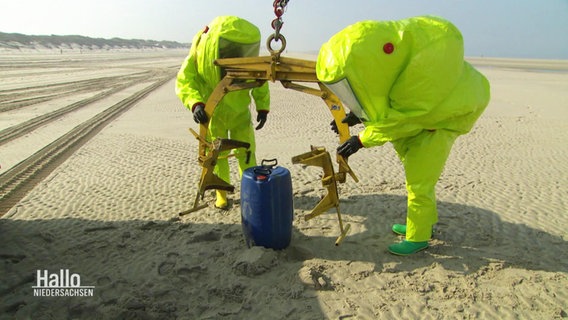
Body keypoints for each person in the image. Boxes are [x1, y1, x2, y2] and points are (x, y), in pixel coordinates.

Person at [316, 16, 490, 255]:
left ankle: (418, 238)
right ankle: (420, 224)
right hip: (422, 126)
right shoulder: (392, 67)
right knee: (417, 179)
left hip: (434, 129)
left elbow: (402, 120)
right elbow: (379, 96)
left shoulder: (421, 80)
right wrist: (358, 114)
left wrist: (360, 140)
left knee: (419, 184)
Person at [176, 16, 270, 209]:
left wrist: (263, 106)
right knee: (216, 156)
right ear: (216, 46)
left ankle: (251, 192)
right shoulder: (200, 50)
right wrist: (196, 104)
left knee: (247, 152)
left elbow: (259, 77)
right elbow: (185, 80)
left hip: (240, 113)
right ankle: (222, 193)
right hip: (213, 113)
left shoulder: (244, 56)